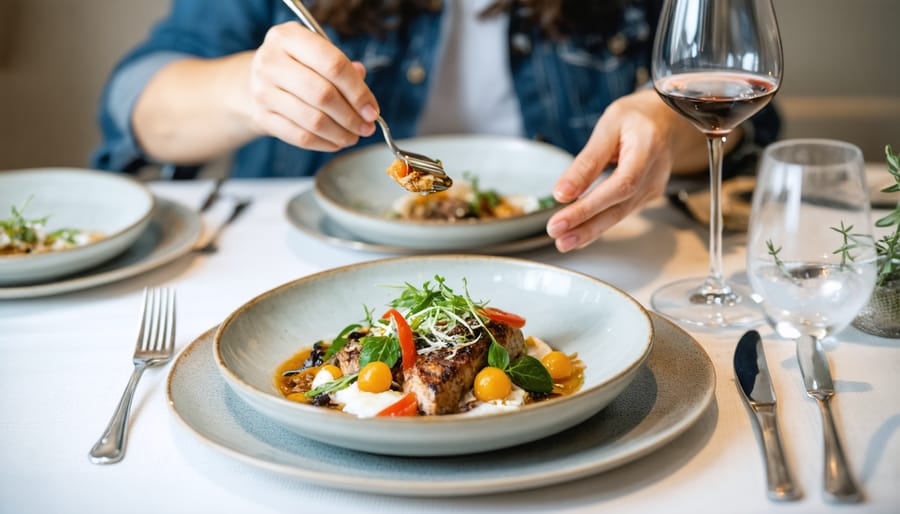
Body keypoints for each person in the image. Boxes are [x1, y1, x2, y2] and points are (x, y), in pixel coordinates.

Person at [93, 0, 779, 252]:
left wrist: (668, 118)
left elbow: (755, 120)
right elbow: (134, 102)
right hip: (315, 259)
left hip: (578, 256)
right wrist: (245, 89)